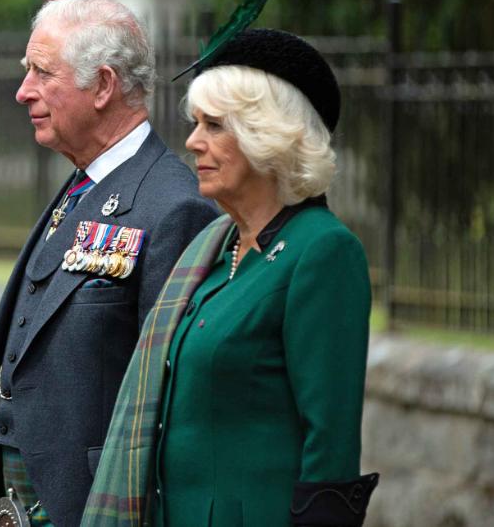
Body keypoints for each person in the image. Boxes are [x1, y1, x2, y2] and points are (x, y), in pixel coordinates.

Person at [83, 28, 378, 527]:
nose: (193, 141)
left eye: (215, 125)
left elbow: (330, 442)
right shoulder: (214, 250)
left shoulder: (323, 252)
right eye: (197, 124)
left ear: (270, 135)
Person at [0, 0, 218, 527]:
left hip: (97, 503)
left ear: (102, 85)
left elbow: (171, 402)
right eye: (25, 70)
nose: (22, 91)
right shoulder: (85, 183)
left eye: (42, 72)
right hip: (27, 494)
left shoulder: (173, 206)